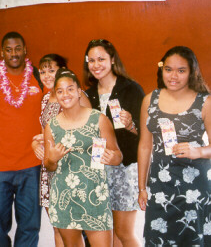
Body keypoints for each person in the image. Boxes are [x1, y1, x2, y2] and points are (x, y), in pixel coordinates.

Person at [0, 31, 43, 246]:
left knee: (30, 226)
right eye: (9, 49)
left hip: (32, 167)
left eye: (18, 49)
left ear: (25, 51)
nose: (14, 53)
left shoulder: (39, 79)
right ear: (2, 52)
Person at [138, 46, 211, 246]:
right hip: (161, 187)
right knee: (159, 238)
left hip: (194, 187)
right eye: (168, 69)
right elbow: (145, 146)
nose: (173, 76)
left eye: (181, 70)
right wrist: (142, 187)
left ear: (191, 72)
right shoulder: (149, 100)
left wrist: (199, 151)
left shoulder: (204, 101)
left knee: (191, 239)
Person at [44, 68, 122, 247]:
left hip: (95, 195)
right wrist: (52, 159)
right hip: (64, 197)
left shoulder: (99, 119)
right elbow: (48, 166)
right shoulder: (51, 127)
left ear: (79, 92)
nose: (66, 94)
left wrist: (112, 158)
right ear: (55, 95)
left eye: (70, 89)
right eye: (60, 91)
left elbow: (117, 155)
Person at [84, 39, 144, 247]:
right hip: (99, 170)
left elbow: (145, 134)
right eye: (91, 60)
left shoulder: (131, 89)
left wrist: (130, 125)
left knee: (124, 232)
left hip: (126, 168)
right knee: (111, 234)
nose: (96, 64)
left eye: (101, 59)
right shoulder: (88, 94)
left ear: (112, 60)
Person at [31, 54, 91, 247]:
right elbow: (44, 134)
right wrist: (35, 143)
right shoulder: (45, 98)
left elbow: (92, 131)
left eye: (51, 70)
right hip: (49, 170)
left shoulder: (77, 94)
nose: (47, 75)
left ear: (62, 70)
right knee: (57, 226)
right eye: (42, 71)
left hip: (74, 168)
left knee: (75, 227)